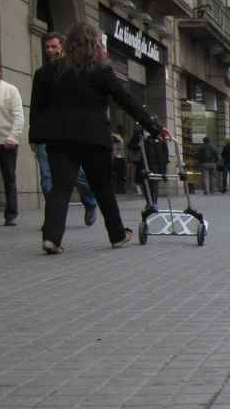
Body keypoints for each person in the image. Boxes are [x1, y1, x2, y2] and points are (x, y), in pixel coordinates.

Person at [30, 22, 167, 254]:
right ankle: (117, 235)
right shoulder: (100, 70)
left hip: (59, 139)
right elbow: (126, 100)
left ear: (68, 44)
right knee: (103, 188)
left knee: (60, 188)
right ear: (94, 44)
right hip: (94, 138)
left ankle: (52, 238)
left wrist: (36, 138)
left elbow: (37, 109)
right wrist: (154, 127)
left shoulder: (46, 72)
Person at [34, 32, 98, 226]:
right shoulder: (42, 74)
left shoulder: (72, 71)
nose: (50, 51)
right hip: (47, 133)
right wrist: (34, 134)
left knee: (77, 176)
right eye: (47, 47)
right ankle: (52, 221)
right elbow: (36, 105)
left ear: (62, 47)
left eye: (54, 47)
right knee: (47, 180)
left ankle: (90, 202)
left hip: (68, 133)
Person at [0, 62, 24, 226]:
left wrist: (13, 137)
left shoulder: (10, 90)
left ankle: (11, 214)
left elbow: (19, 115)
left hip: (6, 142)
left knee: (9, 178)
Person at [111, 125, 127, 194]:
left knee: (116, 175)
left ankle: (117, 189)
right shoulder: (122, 138)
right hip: (121, 158)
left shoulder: (117, 138)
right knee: (121, 175)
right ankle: (121, 189)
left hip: (117, 158)